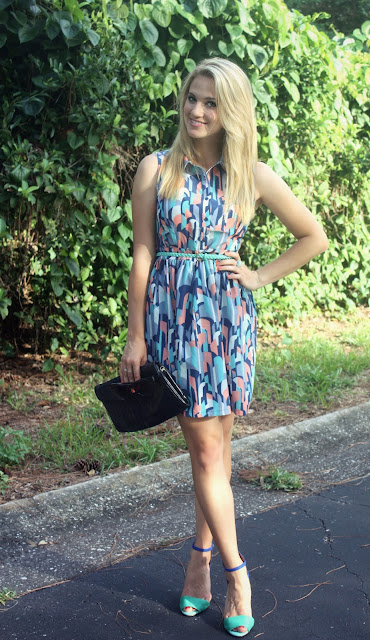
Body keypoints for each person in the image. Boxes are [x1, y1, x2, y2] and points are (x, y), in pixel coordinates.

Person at [120, 57, 328, 638]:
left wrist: (258, 276)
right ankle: (237, 573)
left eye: (211, 102)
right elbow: (142, 253)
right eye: (192, 97)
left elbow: (313, 237)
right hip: (173, 323)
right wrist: (135, 335)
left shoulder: (250, 175)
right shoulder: (156, 168)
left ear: (231, 111)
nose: (197, 110)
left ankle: (201, 560)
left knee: (214, 453)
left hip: (228, 323)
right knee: (208, 454)